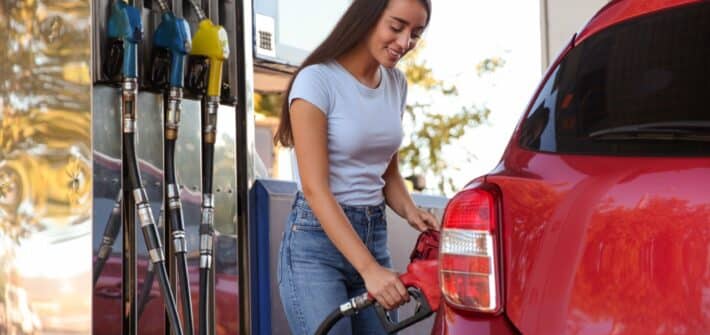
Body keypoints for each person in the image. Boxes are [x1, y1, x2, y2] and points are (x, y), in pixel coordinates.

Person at [274, 0, 437, 334]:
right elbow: (315, 189)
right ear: (368, 16)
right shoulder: (316, 81)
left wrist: (409, 210)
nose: (405, 43)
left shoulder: (396, 83)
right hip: (315, 247)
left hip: (372, 235)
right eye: (396, 27)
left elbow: (386, 170)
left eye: (415, 34)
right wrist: (370, 270)